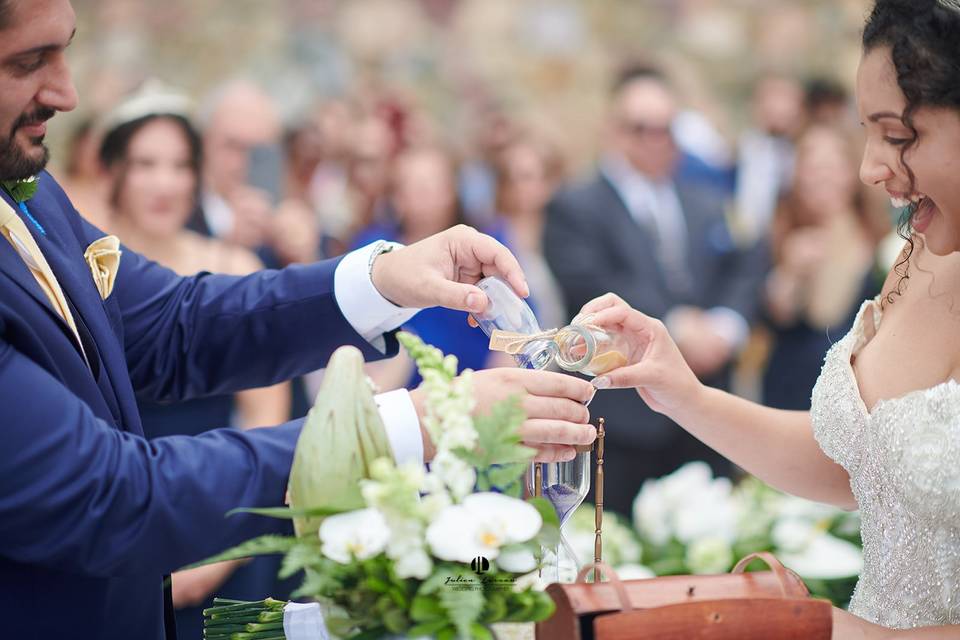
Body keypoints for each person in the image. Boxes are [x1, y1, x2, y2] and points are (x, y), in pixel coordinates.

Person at [0, 2, 596, 638]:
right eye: (29, 62)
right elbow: (107, 493)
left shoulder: (29, 197)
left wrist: (383, 279)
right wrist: (414, 422)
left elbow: (177, 325)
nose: (66, 91)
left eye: (66, 50)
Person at [581, 1, 960, 635]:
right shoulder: (920, 255)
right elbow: (862, 468)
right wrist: (685, 395)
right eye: (865, 132)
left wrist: (828, 630)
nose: (870, 168)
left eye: (899, 136)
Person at [96, 85, 299, 636]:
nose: (165, 183)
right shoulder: (82, 278)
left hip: (228, 523)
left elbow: (267, 420)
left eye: (180, 165)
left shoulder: (230, 267)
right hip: (114, 530)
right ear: (113, 169)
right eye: (145, 164)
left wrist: (223, 552)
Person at [544, 63, 768, 516]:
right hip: (623, 420)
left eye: (666, 129)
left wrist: (725, 327)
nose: (655, 140)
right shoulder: (576, 204)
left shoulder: (705, 200)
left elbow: (747, 263)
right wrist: (677, 326)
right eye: (640, 128)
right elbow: (590, 282)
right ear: (613, 129)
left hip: (705, 407)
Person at [762, 125, 888, 410]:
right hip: (792, 386)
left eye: (833, 166)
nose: (823, 177)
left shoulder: (881, 240)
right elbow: (773, 315)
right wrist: (791, 272)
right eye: (812, 167)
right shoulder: (780, 234)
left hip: (858, 393)